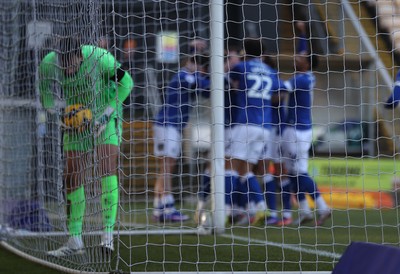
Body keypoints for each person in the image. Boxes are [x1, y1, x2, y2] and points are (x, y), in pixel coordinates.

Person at [39, 37, 134, 256]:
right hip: (76, 124)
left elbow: (126, 83)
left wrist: (106, 116)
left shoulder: (101, 59)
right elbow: (44, 89)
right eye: (61, 62)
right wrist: (56, 115)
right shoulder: (49, 63)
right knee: (71, 175)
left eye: (69, 63)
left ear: (80, 57)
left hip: (105, 117)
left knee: (106, 167)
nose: (65, 67)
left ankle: (107, 235)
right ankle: (74, 241)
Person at [225, 38, 286, 225]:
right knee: (246, 170)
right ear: (262, 53)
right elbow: (279, 92)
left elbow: (227, 79)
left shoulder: (242, 67)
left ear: (245, 52)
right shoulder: (271, 71)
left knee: (229, 168)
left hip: (245, 123)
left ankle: (224, 211)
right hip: (265, 127)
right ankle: (260, 208)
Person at [281, 22, 331, 226]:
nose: (296, 56)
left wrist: (261, 75)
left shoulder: (301, 80)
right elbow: (303, 50)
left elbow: (279, 86)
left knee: (299, 172)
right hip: (297, 129)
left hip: (297, 131)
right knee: (293, 172)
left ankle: (322, 206)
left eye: (300, 57)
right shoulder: (306, 75)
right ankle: (304, 211)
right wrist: (302, 33)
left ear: (307, 63)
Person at [152, 52, 210, 222]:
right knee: (167, 167)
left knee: (167, 166)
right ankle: (168, 207)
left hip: (172, 126)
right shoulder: (184, 76)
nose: (199, 71)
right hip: (167, 125)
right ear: (191, 63)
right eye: (198, 67)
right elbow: (206, 86)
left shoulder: (188, 77)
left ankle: (159, 208)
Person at [195, 45, 242, 224]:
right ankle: (221, 208)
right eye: (230, 59)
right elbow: (205, 90)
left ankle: (228, 208)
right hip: (227, 127)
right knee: (222, 166)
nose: (234, 61)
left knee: (224, 166)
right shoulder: (223, 79)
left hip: (230, 126)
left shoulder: (230, 77)